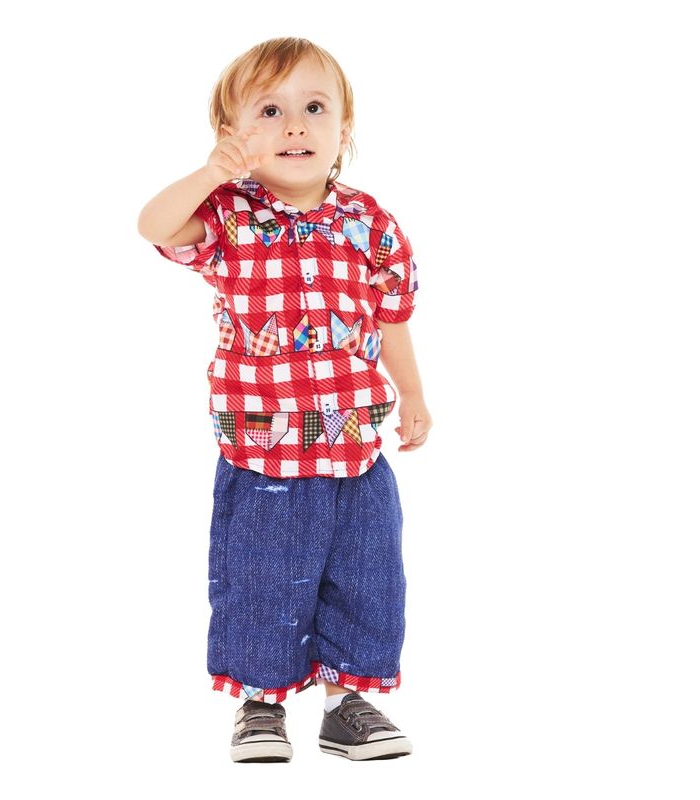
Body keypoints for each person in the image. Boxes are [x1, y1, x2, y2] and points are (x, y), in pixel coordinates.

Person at [138, 36, 433, 763]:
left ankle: (346, 703)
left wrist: (413, 393)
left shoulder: (370, 224)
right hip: (264, 443)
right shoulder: (229, 217)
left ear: (344, 129)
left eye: (315, 108)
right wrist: (212, 173)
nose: (296, 125)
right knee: (263, 577)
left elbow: (391, 316)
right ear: (233, 133)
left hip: (354, 443)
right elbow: (154, 227)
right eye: (270, 111)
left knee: (366, 576)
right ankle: (261, 705)